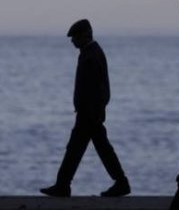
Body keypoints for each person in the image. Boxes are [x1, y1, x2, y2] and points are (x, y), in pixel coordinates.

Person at [40, 19, 130, 198]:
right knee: (89, 149)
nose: (72, 41)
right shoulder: (90, 53)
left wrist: (91, 111)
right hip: (90, 113)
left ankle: (64, 186)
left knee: (79, 149)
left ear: (85, 35)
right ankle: (65, 185)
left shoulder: (91, 56)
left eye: (74, 37)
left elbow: (96, 89)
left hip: (89, 114)